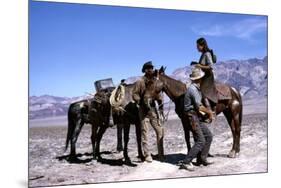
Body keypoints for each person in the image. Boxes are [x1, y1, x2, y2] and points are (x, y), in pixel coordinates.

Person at [180, 67, 214, 171]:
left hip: (197, 117)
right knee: (201, 140)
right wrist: (210, 113)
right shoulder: (193, 89)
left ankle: (202, 158)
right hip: (192, 117)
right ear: (199, 79)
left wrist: (205, 114)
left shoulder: (196, 89)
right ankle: (186, 162)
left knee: (209, 136)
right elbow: (199, 106)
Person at [132, 61, 165, 162]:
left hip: (153, 109)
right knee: (145, 132)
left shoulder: (155, 82)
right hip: (143, 110)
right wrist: (140, 100)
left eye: (151, 68)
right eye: (148, 68)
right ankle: (147, 155)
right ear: (145, 70)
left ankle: (161, 154)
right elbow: (134, 94)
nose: (150, 70)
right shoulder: (140, 82)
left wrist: (159, 100)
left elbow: (158, 94)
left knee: (160, 131)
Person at [192, 37, 218, 113]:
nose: (197, 48)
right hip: (203, 76)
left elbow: (211, 66)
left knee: (202, 92)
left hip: (208, 77)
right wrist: (196, 64)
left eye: (198, 46)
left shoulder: (207, 54)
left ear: (202, 45)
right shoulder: (203, 54)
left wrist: (199, 66)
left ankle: (210, 111)